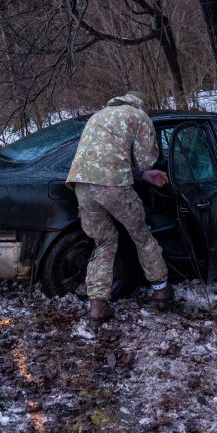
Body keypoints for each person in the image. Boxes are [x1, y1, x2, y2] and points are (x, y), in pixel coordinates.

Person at [66, 91, 172, 322]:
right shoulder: (139, 116)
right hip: (113, 184)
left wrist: (140, 174)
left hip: (81, 184)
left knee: (104, 241)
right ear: (140, 105)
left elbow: (100, 156)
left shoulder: (98, 116)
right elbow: (146, 161)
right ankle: (162, 291)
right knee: (141, 236)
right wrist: (148, 169)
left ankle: (98, 305)